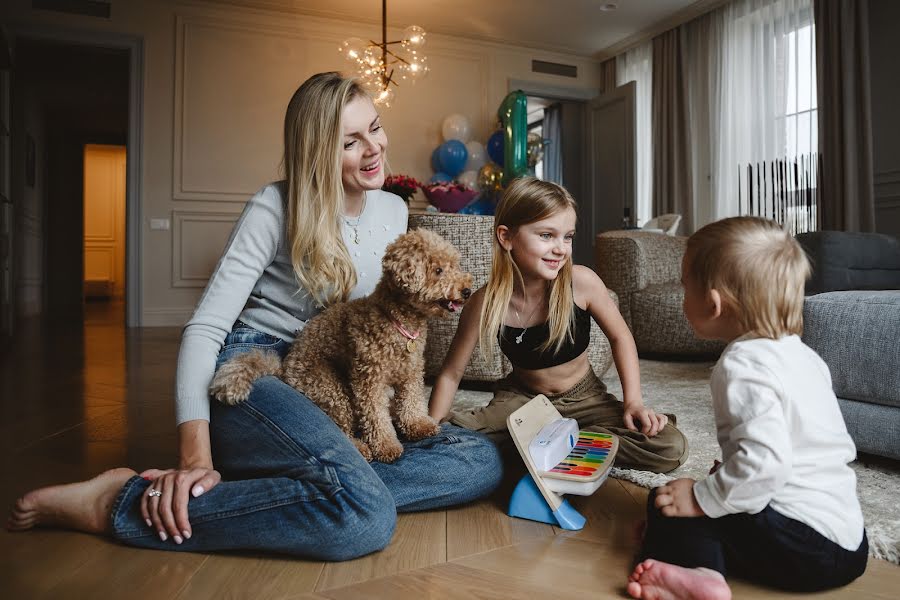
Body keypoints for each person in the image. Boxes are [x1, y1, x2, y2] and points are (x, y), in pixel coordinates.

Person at [7, 72, 501, 560]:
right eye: (349, 142)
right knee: (364, 516)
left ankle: (304, 479)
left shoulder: (394, 210)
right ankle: (122, 502)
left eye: (374, 127)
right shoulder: (274, 206)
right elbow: (205, 329)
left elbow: (383, 320)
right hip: (259, 372)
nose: (373, 148)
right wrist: (194, 457)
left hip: (345, 377)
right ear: (317, 152)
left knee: (479, 462)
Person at [626, 216, 868, 600]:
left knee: (667, 499)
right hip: (849, 545)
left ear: (714, 302)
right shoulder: (803, 356)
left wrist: (702, 498)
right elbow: (790, 449)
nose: (683, 297)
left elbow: (765, 465)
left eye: (685, 287)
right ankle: (680, 543)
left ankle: (701, 573)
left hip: (806, 547)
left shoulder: (742, 365)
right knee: (709, 495)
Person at [429, 177, 687, 473]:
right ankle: (546, 443)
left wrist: (634, 403)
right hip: (523, 401)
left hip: (586, 399)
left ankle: (551, 443)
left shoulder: (582, 282)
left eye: (568, 237)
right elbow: (451, 373)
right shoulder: (484, 302)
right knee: (453, 436)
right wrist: (429, 430)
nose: (561, 248)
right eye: (547, 235)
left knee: (670, 446)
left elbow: (621, 337)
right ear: (506, 237)